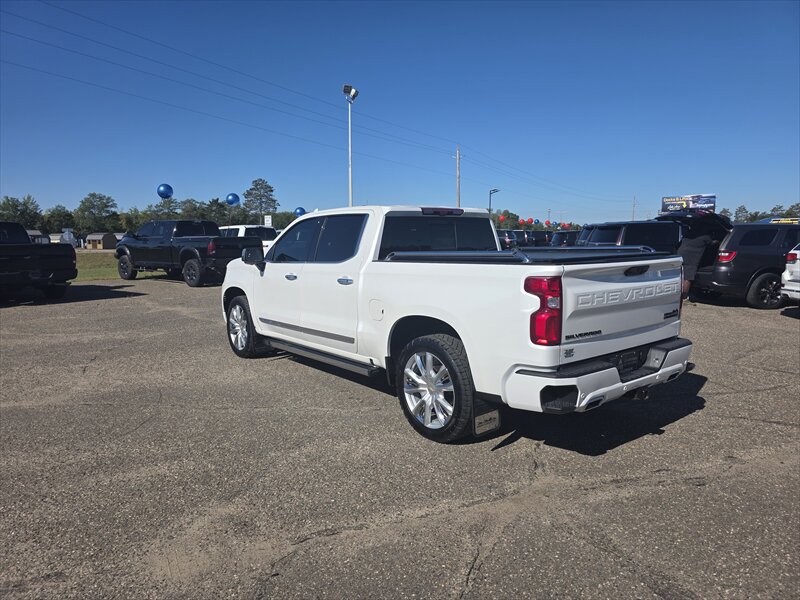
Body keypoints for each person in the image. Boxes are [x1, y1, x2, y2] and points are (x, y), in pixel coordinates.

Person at [677, 221, 713, 298]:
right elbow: (712, 243)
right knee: (688, 277)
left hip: (680, 254)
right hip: (691, 258)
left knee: (680, 275)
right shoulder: (706, 236)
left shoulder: (689, 234)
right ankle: (684, 296)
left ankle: (678, 293)